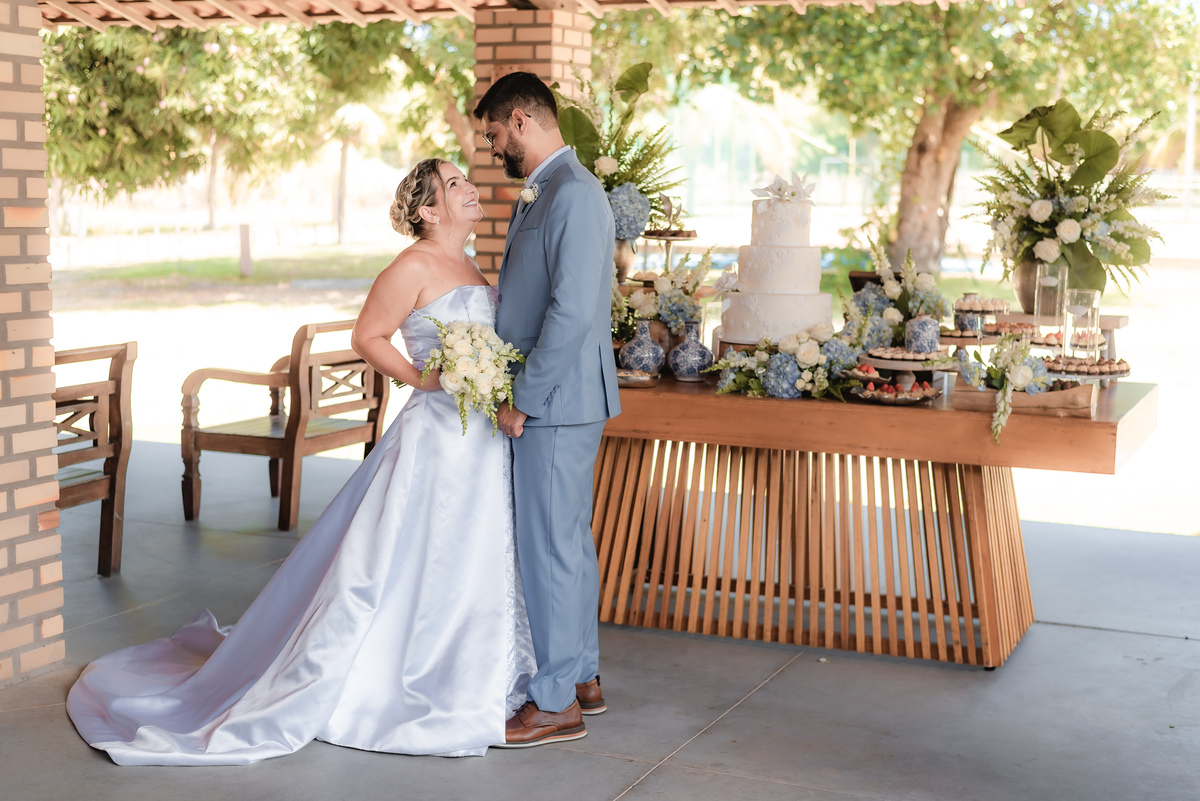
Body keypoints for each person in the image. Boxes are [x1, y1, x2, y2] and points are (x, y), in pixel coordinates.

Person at [65, 159, 537, 765]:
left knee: (476, 554)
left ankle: (475, 676)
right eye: (455, 185)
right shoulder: (412, 266)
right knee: (421, 555)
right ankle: (404, 682)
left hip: (480, 443)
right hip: (436, 443)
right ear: (428, 211)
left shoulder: (472, 264)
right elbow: (369, 337)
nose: (471, 189)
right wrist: (424, 379)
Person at [474, 72, 621, 748]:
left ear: (523, 119)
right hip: (558, 400)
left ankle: (556, 699)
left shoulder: (576, 193)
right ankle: (582, 673)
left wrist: (523, 398)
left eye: (495, 133)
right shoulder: (550, 189)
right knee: (567, 543)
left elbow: (570, 313)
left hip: (554, 402)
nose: (493, 146)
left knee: (550, 547)